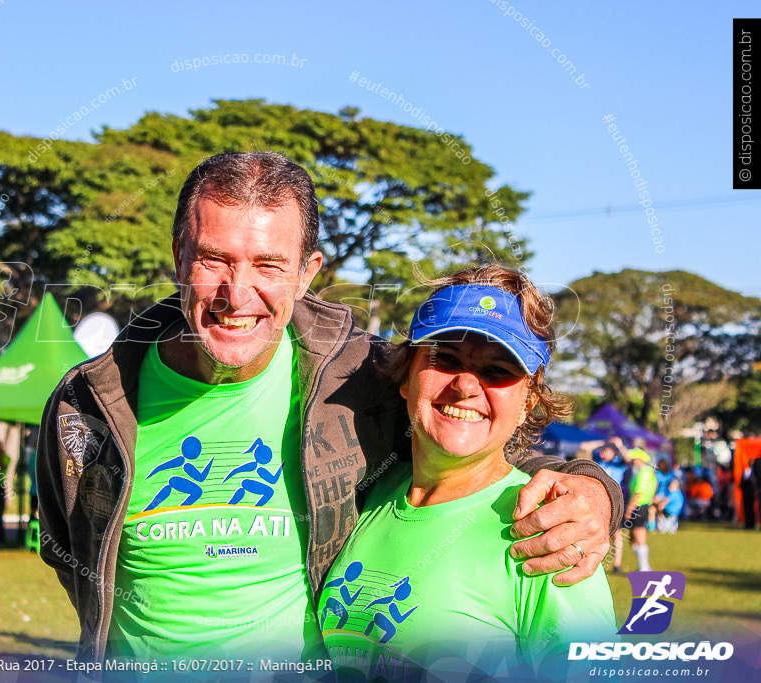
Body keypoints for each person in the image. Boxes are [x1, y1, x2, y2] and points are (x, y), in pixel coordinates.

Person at [36, 151, 623, 663]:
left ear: (306, 273)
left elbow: (477, 434)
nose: (237, 294)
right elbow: (73, 553)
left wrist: (598, 491)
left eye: (268, 265)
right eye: (215, 259)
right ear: (178, 254)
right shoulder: (87, 401)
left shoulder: (352, 380)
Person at [318, 266, 615, 680]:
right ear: (406, 375)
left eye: (497, 370)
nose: (465, 386)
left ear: (529, 399)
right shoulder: (369, 494)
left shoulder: (550, 530)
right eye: (446, 359)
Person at [595, 440, 630, 574]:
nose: (603, 453)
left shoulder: (619, 464)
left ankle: (617, 564)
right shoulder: (599, 463)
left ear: (613, 453)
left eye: (606, 451)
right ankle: (598, 563)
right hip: (600, 503)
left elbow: (628, 459)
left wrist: (620, 445)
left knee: (617, 535)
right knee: (599, 533)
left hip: (615, 503)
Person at [626, 449, 658, 571]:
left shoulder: (644, 473)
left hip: (638, 507)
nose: (633, 461)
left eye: (634, 459)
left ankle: (644, 567)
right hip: (640, 506)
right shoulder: (646, 472)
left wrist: (629, 509)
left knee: (639, 537)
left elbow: (638, 493)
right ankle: (643, 566)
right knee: (634, 537)